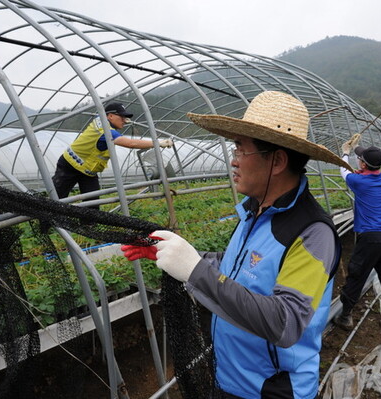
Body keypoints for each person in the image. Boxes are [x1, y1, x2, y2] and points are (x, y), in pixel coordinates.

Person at [121, 91, 352, 398]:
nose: (233, 160)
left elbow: (284, 322)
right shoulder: (254, 211)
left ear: (278, 161)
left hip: (270, 390)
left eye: (241, 150)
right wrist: (183, 255)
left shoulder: (312, 232)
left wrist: (195, 270)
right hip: (229, 377)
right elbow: (238, 266)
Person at [333, 141, 381, 337]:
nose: (357, 158)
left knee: (357, 275)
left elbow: (343, 171)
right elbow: (361, 175)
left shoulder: (358, 181)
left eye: (360, 158)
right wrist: (360, 170)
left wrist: (344, 153)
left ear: (363, 165)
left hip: (370, 238)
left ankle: (345, 317)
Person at [51, 102, 173, 201]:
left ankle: (88, 227)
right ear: (110, 116)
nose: (125, 120)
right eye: (122, 117)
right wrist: (158, 143)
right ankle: (46, 229)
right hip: (70, 166)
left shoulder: (103, 122)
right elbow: (130, 143)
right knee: (57, 199)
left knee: (92, 202)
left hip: (87, 171)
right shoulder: (104, 129)